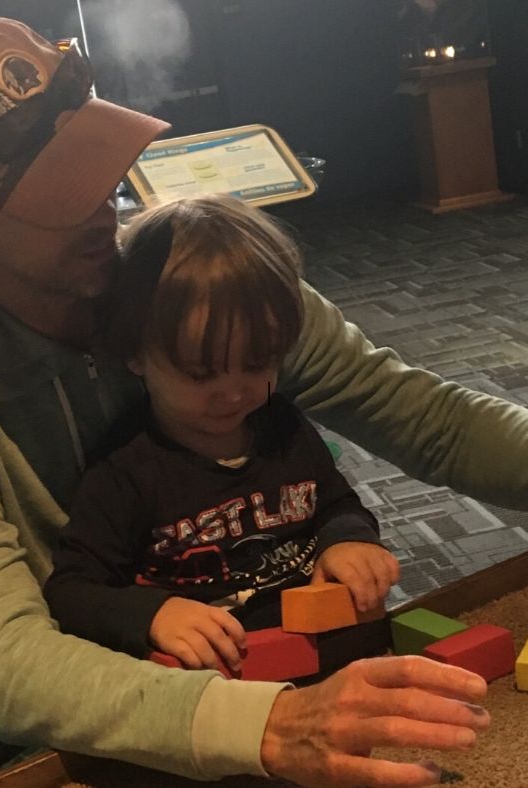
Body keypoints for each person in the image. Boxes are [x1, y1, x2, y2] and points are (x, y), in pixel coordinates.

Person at [0, 14, 528, 788]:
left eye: (97, 168)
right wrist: (271, 722)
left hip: (271, 668)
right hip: (92, 729)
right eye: (53, 196)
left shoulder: (187, 279)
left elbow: (418, 413)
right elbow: (8, 663)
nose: (100, 211)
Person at [43, 194, 400, 674]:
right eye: (200, 373)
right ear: (135, 356)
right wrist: (153, 614)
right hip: (216, 684)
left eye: (258, 364)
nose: (234, 394)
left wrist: (348, 539)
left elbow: (334, 501)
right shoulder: (125, 468)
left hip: (326, 650)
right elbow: (73, 591)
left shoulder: (282, 426)